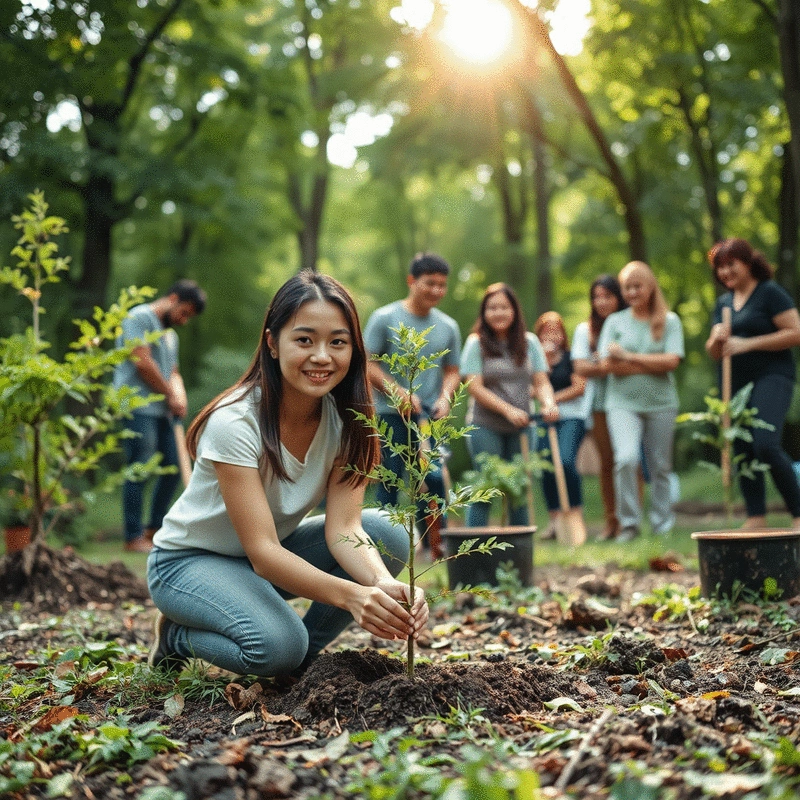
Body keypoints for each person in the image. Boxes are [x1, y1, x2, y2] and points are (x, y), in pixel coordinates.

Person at [146, 271, 428, 679]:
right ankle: (177, 637)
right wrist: (353, 596)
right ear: (272, 343)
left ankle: (300, 663)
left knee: (390, 533)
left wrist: (381, 584)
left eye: (338, 342)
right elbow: (262, 552)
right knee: (277, 646)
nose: (322, 356)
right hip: (188, 564)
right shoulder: (236, 421)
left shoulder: (347, 421)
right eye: (304, 339)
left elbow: (344, 528)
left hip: (266, 559)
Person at [363, 253, 462, 554]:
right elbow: (367, 364)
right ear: (411, 281)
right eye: (429, 283)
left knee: (431, 479)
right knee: (390, 481)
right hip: (388, 415)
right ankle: (382, 548)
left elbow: (452, 370)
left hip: (426, 419)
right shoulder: (384, 318)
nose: (436, 291)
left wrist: (446, 397)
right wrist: (397, 392)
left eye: (442, 285)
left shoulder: (448, 326)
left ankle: (436, 543)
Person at [705, 238, 800, 529]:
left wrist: (747, 344)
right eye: (720, 267)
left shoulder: (769, 293)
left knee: (765, 443)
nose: (725, 272)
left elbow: (795, 332)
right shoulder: (722, 304)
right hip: (736, 384)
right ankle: (756, 515)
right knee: (742, 447)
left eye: (731, 264)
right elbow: (714, 352)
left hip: (773, 376)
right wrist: (716, 339)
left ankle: (798, 513)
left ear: (748, 263)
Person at [113, 279, 207, 552]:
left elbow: (173, 371)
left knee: (174, 468)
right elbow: (142, 362)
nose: (185, 320)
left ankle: (153, 529)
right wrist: (170, 394)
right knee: (140, 467)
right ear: (173, 298)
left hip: (163, 410)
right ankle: (132, 537)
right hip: (138, 407)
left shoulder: (170, 335)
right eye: (185, 312)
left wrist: (180, 396)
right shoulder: (138, 318)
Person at [598, 261, 684, 542]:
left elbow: (671, 361)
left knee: (661, 467)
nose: (633, 292)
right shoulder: (614, 322)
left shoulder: (669, 321)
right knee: (626, 458)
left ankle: (662, 525)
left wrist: (629, 356)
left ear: (650, 287)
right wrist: (650, 364)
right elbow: (607, 365)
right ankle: (630, 524)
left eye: (638, 286)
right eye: (627, 287)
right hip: (621, 403)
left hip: (661, 404)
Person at [459, 284, 557, 527]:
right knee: (485, 488)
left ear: (514, 310)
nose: (498, 313)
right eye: (492, 308)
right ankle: (474, 553)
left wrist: (548, 403)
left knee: (519, 491)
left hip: (524, 427)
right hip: (485, 426)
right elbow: (474, 387)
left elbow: (541, 380)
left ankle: (518, 553)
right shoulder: (475, 343)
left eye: (504, 307)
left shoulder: (530, 342)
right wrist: (508, 410)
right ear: (484, 312)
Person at [572, 275, 627, 540]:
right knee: (608, 461)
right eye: (597, 296)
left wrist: (601, 364)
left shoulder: (630, 325)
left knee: (629, 461)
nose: (601, 302)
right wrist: (608, 365)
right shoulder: (586, 330)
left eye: (607, 295)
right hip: (600, 403)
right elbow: (580, 367)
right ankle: (611, 521)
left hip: (628, 400)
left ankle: (630, 519)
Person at [533, 312, 589, 541]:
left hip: (571, 417)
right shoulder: (535, 362)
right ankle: (555, 520)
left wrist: (552, 400)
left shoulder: (570, 358)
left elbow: (580, 387)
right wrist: (543, 363)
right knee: (545, 467)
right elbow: (531, 389)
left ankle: (575, 513)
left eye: (556, 331)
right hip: (544, 419)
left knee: (565, 461)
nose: (551, 335)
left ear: (563, 335)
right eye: (547, 331)